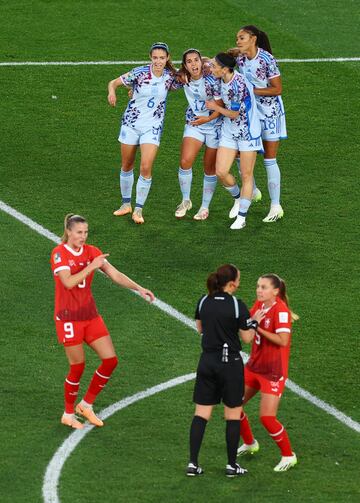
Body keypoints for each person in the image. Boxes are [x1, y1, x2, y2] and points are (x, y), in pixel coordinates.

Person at [51, 213, 155, 429]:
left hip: (90, 315)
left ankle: (86, 405)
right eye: (79, 232)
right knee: (77, 367)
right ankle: (68, 414)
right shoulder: (59, 254)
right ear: (69, 232)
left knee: (110, 360)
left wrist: (139, 288)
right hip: (69, 318)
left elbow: (114, 274)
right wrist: (91, 266)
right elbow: (68, 282)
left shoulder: (92, 252)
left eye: (86, 232)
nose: (83, 236)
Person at [187, 264, 264, 477]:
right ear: (232, 283)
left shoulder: (203, 300)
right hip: (230, 365)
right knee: (232, 415)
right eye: (239, 278)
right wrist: (255, 321)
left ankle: (193, 463)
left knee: (201, 414)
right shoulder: (237, 305)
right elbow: (247, 338)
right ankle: (231, 465)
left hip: (207, 362)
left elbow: (200, 329)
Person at [107, 42, 178, 224]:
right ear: (150, 57)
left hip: (152, 128)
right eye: (155, 58)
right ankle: (125, 204)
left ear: (167, 58)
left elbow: (193, 76)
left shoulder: (171, 77)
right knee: (127, 165)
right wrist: (112, 93)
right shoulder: (139, 73)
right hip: (131, 124)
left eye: (162, 58)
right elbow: (113, 83)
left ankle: (138, 209)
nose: (158, 61)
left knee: (146, 167)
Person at [237, 274, 298, 472]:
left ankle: (289, 456)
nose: (258, 290)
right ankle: (250, 443)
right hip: (254, 366)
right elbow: (249, 327)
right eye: (258, 286)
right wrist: (249, 322)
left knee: (267, 417)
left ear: (275, 291)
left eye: (263, 287)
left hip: (272, 372)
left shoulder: (281, 312)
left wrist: (258, 327)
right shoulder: (260, 304)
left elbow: (282, 341)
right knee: (233, 405)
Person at [230, 26, 287, 223]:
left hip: (271, 114)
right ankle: (252, 190)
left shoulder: (267, 60)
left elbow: (277, 89)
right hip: (250, 114)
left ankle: (276, 206)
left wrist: (251, 90)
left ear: (253, 39)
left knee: (269, 159)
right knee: (239, 152)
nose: (238, 41)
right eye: (237, 38)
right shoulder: (240, 57)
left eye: (242, 38)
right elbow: (223, 61)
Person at [206, 53, 263, 230]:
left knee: (246, 175)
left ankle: (242, 217)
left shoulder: (237, 85)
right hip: (229, 131)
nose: (211, 68)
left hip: (247, 132)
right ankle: (238, 199)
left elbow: (234, 114)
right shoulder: (219, 78)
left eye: (215, 66)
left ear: (225, 69)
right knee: (221, 172)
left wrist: (215, 107)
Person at [174, 49, 223, 221]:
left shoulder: (211, 80)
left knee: (209, 168)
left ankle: (204, 207)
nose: (194, 64)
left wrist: (207, 119)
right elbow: (165, 82)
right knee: (185, 161)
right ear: (185, 65)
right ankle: (186, 200)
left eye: (196, 60)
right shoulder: (183, 79)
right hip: (195, 123)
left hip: (214, 124)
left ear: (201, 62)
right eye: (189, 61)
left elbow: (220, 106)